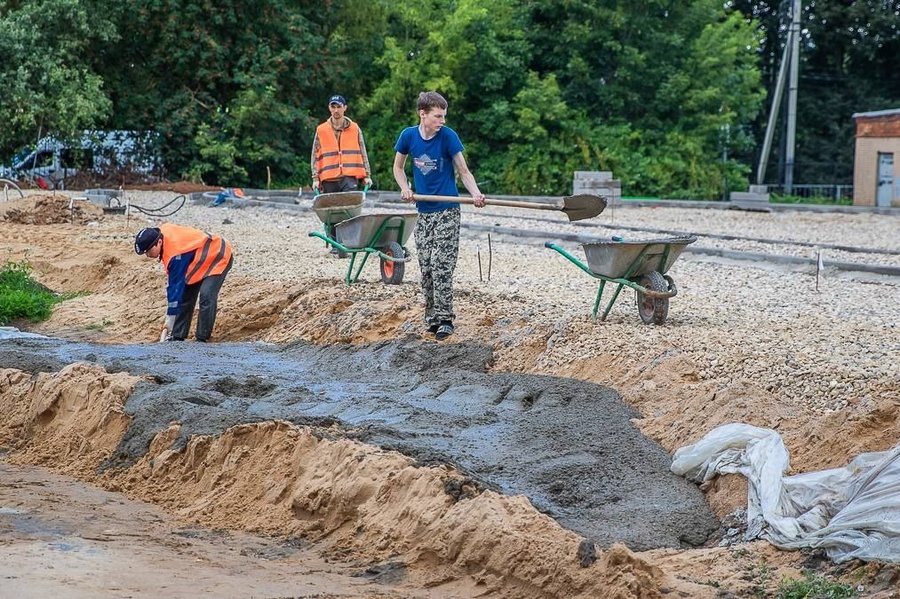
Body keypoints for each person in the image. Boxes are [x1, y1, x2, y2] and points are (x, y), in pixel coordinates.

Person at [392, 91, 485, 341]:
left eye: (443, 116)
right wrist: (405, 188)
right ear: (423, 114)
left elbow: (464, 171)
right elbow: (398, 167)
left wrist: (476, 193)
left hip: (447, 211)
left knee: (441, 266)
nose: (442, 120)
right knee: (426, 268)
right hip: (423, 212)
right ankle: (432, 318)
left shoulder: (448, 136)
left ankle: (445, 319)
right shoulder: (408, 136)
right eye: (438, 116)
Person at [134, 224, 234, 342]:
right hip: (197, 262)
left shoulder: (176, 255)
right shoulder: (162, 233)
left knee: (206, 295)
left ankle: (202, 339)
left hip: (218, 255)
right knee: (185, 297)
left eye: (148, 251)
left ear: (159, 242)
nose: (147, 255)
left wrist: (170, 320)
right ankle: (178, 336)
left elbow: (175, 289)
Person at [311, 94, 374, 195]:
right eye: (333, 107)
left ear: (345, 108)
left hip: (349, 177)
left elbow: (363, 153)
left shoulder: (354, 128)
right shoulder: (321, 130)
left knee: (349, 204)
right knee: (331, 208)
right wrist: (315, 179)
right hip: (329, 178)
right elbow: (314, 156)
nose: (336, 110)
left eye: (339, 107)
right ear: (329, 108)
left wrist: (367, 176)